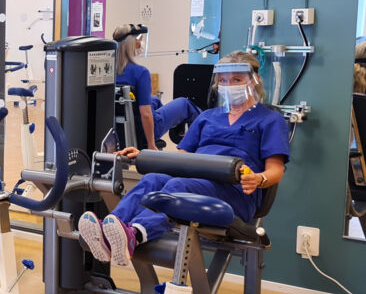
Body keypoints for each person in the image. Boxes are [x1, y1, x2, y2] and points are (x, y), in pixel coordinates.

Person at [80, 51, 289, 267]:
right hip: (197, 181)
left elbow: (276, 169)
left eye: (237, 79)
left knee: (177, 184)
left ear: (254, 81)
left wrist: (259, 179)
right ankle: (109, 233)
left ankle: (136, 233)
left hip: (235, 193)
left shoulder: (270, 120)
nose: (229, 85)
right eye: (224, 80)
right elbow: (181, 160)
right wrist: (145, 155)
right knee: (153, 179)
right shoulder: (208, 117)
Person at [113, 23, 200, 148]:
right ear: (132, 44)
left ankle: (174, 124)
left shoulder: (109, 72)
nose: (142, 44)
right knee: (185, 104)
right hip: (143, 131)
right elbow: (146, 114)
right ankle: (201, 138)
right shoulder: (140, 72)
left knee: (154, 99)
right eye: (140, 40)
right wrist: (151, 144)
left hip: (119, 128)